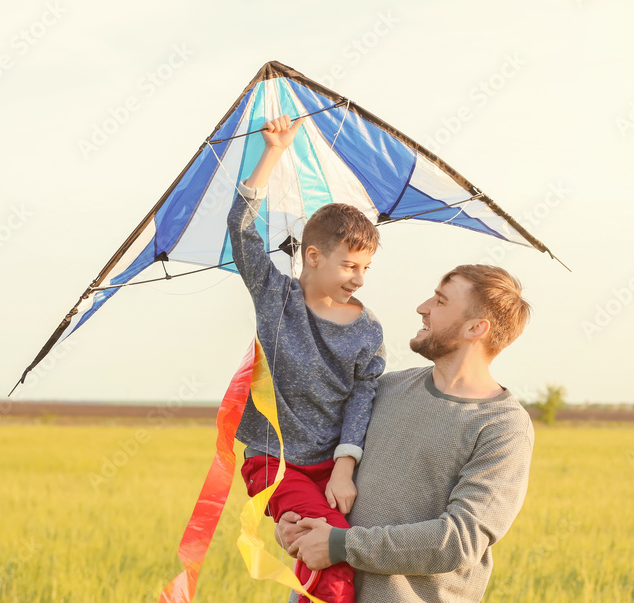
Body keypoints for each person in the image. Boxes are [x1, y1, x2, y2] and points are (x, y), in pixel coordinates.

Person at [280, 264, 535, 603]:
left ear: (477, 328)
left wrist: (340, 545)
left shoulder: (502, 426)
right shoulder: (382, 389)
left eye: (441, 302)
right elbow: (318, 469)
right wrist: (294, 521)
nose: (423, 308)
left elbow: (460, 540)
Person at [228, 114, 387, 603]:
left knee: (318, 562)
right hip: (276, 465)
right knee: (333, 561)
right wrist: (272, 152)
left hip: (333, 471)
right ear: (313, 256)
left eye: (365, 267)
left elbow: (363, 401)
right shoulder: (275, 297)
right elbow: (240, 228)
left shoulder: (368, 331)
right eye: (348, 264)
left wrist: (343, 468)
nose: (358, 278)